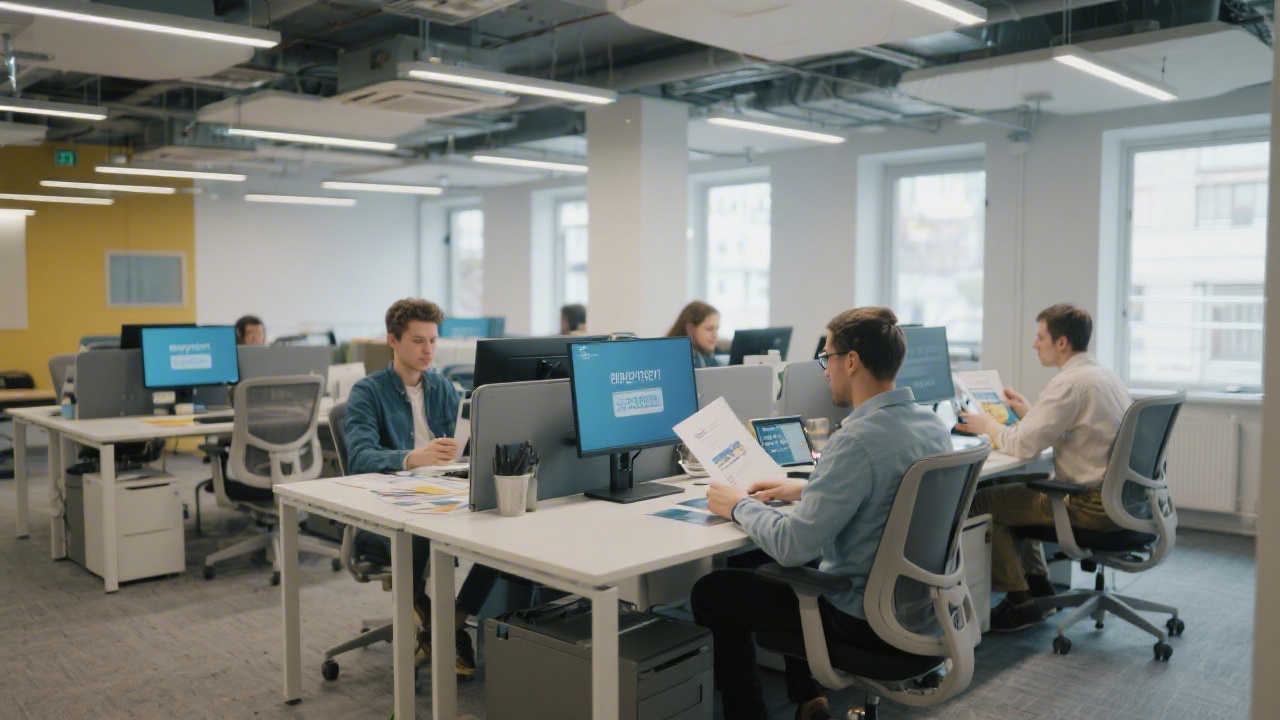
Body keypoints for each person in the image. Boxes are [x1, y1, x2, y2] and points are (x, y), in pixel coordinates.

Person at [693, 307, 951, 720]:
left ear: (851, 361)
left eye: (826, 358)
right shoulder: (932, 425)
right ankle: (808, 697)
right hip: (918, 611)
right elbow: (887, 493)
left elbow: (793, 545)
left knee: (712, 591)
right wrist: (809, 488)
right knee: (762, 561)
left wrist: (736, 505)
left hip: (860, 618)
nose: (824, 370)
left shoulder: (855, 441)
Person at [344, 298, 498, 679]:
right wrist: (413, 458)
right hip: (386, 510)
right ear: (393, 341)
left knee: (503, 530)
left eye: (433, 340)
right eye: (418, 341)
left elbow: (460, 449)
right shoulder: (368, 392)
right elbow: (360, 458)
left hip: (440, 497)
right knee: (416, 530)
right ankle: (434, 618)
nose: (428, 350)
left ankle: (450, 622)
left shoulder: (444, 389)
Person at [957, 303, 1131, 632]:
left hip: (1089, 505)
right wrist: (1030, 413)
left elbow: (1023, 445)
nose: (1035, 344)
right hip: (1118, 499)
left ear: (1061, 342)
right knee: (1022, 491)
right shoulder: (1102, 376)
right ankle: (1038, 588)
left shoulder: (1068, 384)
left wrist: (986, 426)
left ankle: (1020, 603)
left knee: (980, 502)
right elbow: (1075, 428)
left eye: (1040, 337)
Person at [666, 301, 720, 368]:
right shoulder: (679, 361)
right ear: (690, 330)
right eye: (709, 329)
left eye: (717, 329)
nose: (715, 335)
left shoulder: (708, 358)